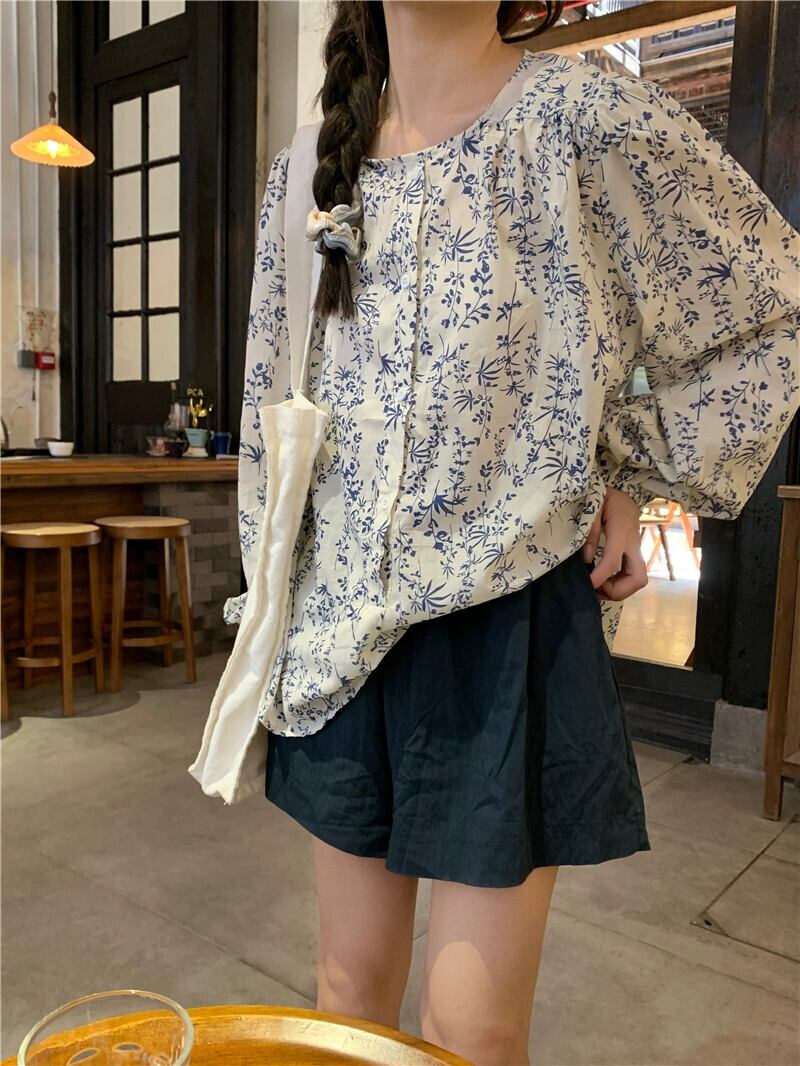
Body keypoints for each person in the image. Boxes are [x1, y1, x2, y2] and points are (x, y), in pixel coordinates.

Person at [231, 3, 800, 1064]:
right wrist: (268, 620)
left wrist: (629, 469)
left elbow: (768, 305)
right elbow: (275, 410)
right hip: (337, 633)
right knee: (344, 998)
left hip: (503, 632)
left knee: (472, 1032)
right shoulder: (307, 170)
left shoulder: (581, 116)